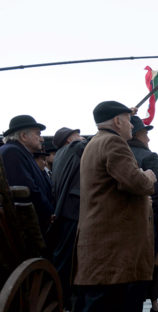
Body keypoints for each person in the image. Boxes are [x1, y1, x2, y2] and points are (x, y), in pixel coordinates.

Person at [73, 101, 157, 312]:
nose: (132, 126)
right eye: (129, 121)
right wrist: (148, 176)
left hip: (103, 253)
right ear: (117, 122)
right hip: (114, 255)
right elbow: (136, 182)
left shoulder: (95, 143)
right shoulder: (113, 143)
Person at [127, 116, 158, 312]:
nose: (148, 139)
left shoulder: (119, 152)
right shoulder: (149, 157)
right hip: (146, 224)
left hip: (121, 224)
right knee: (143, 272)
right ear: (136, 134)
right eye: (145, 134)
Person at [49, 127, 86, 310]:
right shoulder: (74, 148)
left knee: (64, 258)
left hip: (65, 211)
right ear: (70, 140)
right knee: (69, 261)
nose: (81, 138)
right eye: (77, 135)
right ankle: (64, 299)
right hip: (72, 211)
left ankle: (61, 297)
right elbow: (98, 141)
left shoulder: (60, 155)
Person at [0, 115, 54, 239]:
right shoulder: (12, 152)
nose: (41, 139)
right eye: (38, 134)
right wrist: (48, 212)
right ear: (24, 136)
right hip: (26, 228)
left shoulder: (18, 151)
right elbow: (27, 189)